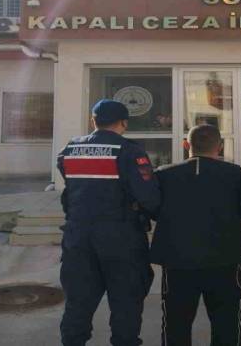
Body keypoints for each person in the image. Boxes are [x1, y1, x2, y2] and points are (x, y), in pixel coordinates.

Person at [57, 99, 161, 346]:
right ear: (124, 122)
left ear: (93, 121)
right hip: (121, 239)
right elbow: (149, 197)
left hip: (78, 237)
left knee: (78, 301)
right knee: (126, 301)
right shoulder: (129, 151)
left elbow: (71, 187)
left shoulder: (70, 149)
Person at [149, 124, 241, 346]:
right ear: (220, 146)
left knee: (176, 324)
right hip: (226, 259)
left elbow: (151, 205)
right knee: (227, 323)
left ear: (186, 145)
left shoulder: (164, 174)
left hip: (178, 260)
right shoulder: (237, 174)